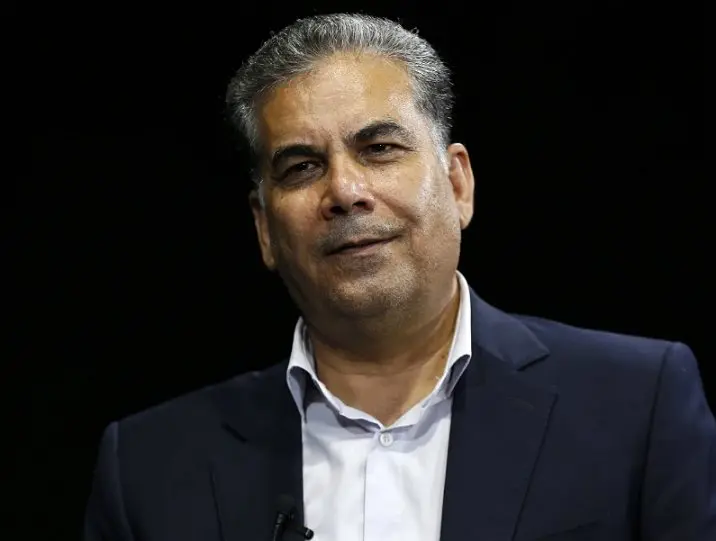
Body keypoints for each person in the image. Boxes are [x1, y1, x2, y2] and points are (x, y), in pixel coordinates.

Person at [84, 13, 715, 541]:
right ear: (264, 229)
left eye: (379, 149)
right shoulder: (147, 468)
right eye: (302, 167)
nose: (344, 191)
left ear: (458, 183)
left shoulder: (637, 404)